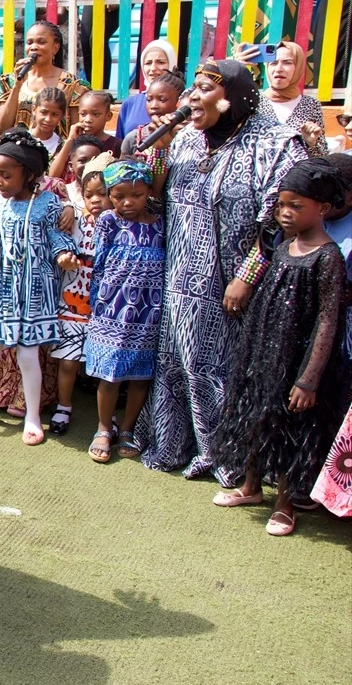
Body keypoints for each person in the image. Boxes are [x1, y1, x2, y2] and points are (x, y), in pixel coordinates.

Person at [140, 59, 308, 482]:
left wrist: (246, 277)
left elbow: (280, 224)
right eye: (191, 88)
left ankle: (224, 453)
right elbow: (158, 202)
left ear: (232, 97)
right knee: (178, 363)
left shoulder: (275, 144)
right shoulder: (186, 142)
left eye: (203, 89)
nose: (191, 97)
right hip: (180, 279)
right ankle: (175, 441)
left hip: (232, 287)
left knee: (218, 368)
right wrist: (159, 155)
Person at [211, 160, 346, 535]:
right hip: (265, 353)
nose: (285, 213)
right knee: (257, 417)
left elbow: (327, 320)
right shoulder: (285, 245)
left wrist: (308, 379)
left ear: (323, 208)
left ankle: (285, 504)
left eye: (296, 206)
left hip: (297, 360)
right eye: (281, 204)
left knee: (290, 428)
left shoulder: (328, 257)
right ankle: (251, 487)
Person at [0, 128, 78, 446]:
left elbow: (58, 240)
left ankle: (33, 417)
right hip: (1, 293)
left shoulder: (50, 204)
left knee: (27, 356)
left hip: (34, 296)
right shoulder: (0, 205)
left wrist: (64, 255)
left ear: (30, 174)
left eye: (6, 175)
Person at [83, 159, 164, 462]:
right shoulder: (109, 220)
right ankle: (104, 428)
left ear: (148, 193)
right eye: (118, 196)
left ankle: (127, 429)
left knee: (141, 376)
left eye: (137, 195)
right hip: (113, 310)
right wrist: (99, 305)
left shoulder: (160, 221)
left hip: (149, 311)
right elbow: (99, 264)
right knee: (111, 374)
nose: (127, 203)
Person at [48, 145, 109, 438]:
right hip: (73, 304)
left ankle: (104, 421)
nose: (95, 200)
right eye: (89, 195)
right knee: (68, 362)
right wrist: (65, 258)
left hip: (105, 307)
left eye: (102, 194)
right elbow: (60, 244)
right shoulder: (75, 221)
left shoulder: (119, 225)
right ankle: (64, 406)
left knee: (103, 369)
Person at [0, 20, 87, 141]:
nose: (34, 47)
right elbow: (2, 128)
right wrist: (17, 86)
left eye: (41, 42)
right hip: (17, 154)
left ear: (55, 47)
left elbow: (76, 133)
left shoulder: (74, 85)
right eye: (29, 42)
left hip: (56, 155)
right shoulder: (8, 81)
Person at [257, 41, 327, 157]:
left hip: (298, 173)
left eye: (287, 63)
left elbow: (322, 156)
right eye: (273, 63)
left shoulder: (310, 105)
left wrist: (311, 143)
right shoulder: (254, 102)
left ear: (298, 67)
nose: (279, 69)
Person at [119, 72, 186, 184]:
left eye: (162, 100)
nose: (154, 105)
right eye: (149, 100)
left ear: (179, 103)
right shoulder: (134, 138)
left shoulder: (188, 139)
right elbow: (120, 177)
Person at [115, 40, 178, 140]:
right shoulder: (129, 104)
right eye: (148, 63)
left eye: (160, 62)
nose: (153, 68)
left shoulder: (181, 102)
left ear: (172, 64)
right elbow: (120, 144)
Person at [30, 86, 67, 156]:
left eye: (54, 114)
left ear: (62, 115)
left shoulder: (63, 147)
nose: (48, 119)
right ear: (34, 110)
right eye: (44, 112)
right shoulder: (20, 140)